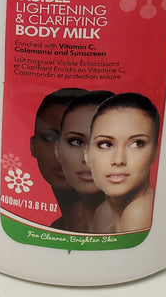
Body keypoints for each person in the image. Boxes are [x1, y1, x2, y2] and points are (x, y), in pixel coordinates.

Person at [87, 92, 160, 234]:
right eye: (105, 144)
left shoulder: (139, 212)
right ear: (86, 154)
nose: (119, 160)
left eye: (137, 144)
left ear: (155, 152)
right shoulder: (104, 213)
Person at [54, 90, 114, 233]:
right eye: (76, 141)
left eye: (105, 144)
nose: (86, 159)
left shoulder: (128, 218)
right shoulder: (75, 214)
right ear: (57, 150)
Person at [30, 88, 86, 229]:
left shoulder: (103, 220)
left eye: (76, 141)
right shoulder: (61, 226)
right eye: (50, 137)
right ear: (33, 145)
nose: (60, 153)